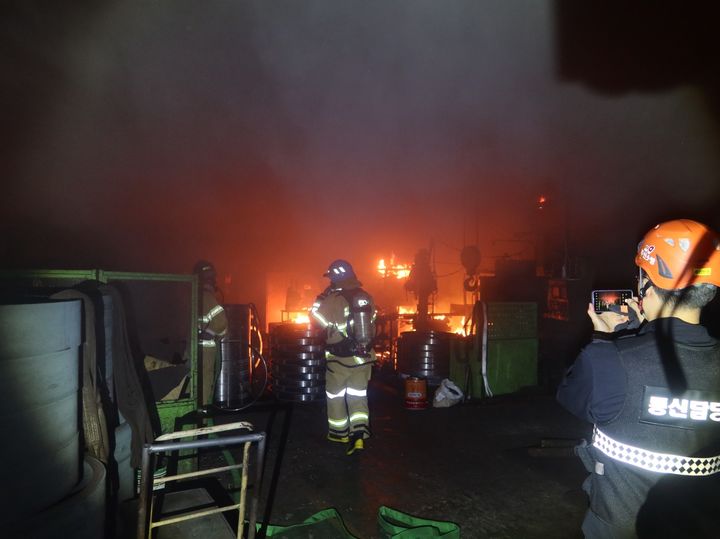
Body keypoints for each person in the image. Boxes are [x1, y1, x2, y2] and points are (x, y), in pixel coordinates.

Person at [557, 219, 720, 538]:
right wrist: (641, 333)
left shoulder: (607, 359)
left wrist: (606, 339)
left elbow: (571, 397)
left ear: (647, 282)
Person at [310, 259, 377, 455]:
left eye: (331, 277)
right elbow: (371, 324)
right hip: (363, 358)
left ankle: (339, 433)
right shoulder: (367, 297)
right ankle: (359, 434)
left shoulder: (333, 299)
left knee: (336, 396)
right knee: (358, 396)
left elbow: (315, 320)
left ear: (336, 278)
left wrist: (321, 298)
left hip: (339, 360)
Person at [193, 260, 228, 414]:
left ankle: (194, 416)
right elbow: (223, 325)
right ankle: (203, 425)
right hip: (206, 353)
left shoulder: (192, 296)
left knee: (194, 385)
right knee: (205, 386)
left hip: (191, 350)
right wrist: (215, 335)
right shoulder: (209, 298)